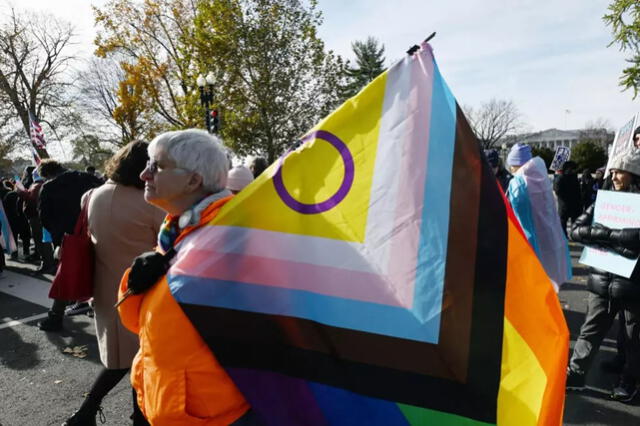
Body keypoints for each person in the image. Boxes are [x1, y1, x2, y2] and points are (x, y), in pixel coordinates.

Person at [118, 129, 252, 424]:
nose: (143, 174)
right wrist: (135, 281)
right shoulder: (177, 231)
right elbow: (137, 322)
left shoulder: (228, 239)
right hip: (167, 401)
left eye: (157, 166)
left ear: (193, 180)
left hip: (208, 413)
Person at [63, 141, 165, 425]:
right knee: (140, 359)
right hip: (143, 291)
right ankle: (134, 417)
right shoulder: (150, 202)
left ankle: (86, 412)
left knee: (122, 359)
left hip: (105, 287)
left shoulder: (92, 195)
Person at [567, 151, 640, 402]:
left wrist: (604, 237)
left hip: (633, 285)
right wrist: (614, 238)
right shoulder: (602, 202)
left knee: (633, 338)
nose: (614, 176)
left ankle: (629, 382)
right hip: (601, 281)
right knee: (590, 330)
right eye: (612, 172)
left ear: (634, 173)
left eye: (620, 171)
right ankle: (575, 374)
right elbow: (577, 230)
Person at [37, 160, 103, 331]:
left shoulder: (50, 187)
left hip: (68, 237)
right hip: (96, 230)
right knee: (100, 271)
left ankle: (55, 317)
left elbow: (44, 217)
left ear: (46, 174)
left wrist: (58, 234)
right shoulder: (86, 178)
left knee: (65, 276)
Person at [505, 143, 572, 291]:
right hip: (552, 237)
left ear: (515, 164)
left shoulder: (518, 183)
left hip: (530, 244)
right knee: (549, 286)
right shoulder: (541, 176)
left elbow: (519, 219)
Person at [554, 160, 582, 236]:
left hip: (574, 204)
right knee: (563, 221)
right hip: (564, 204)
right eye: (573, 169)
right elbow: (557, 190)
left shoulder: (574, 177)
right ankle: (563, 236)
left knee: (574, 221)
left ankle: (573, 235)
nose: (574, 170)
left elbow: (578, 191)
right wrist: (565, 198)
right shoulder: (561, 178)